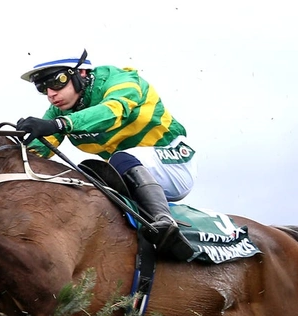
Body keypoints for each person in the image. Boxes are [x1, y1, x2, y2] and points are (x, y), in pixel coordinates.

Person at [16, 51, 196, 261]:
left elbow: (113, 111)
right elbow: (36, 153)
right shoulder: (60, 111)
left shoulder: (122, 80)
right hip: (130, 176)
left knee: (117, 159)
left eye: (57, 82)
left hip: (172, 165)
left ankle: (164, 224)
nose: (51, 94)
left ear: (81, 72)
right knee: (80, 176)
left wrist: (60, 124)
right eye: (42, 88)